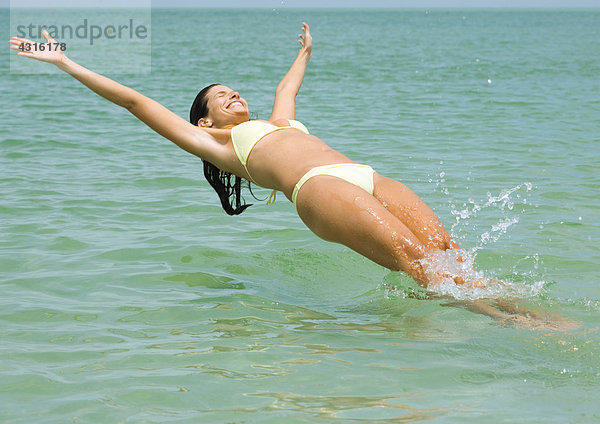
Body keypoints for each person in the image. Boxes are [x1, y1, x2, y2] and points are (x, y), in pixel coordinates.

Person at [8, 23, 477, 289]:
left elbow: (286, 87)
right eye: (219, 95)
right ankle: (506, 318)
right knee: (418, 262)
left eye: (231, 89)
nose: (231, 92)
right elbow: (135, 101)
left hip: (364, 175)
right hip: (317, 189)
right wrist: (66, 62)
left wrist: (306, 51)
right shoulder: (217, 143)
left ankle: (493, 305)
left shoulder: (281, 122)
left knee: (448, 254)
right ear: (204, 122)